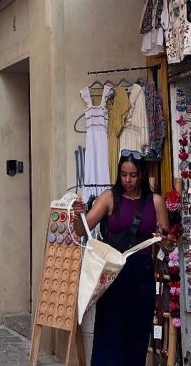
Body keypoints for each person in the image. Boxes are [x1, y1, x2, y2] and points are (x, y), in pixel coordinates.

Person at [73, 150, 171, 366]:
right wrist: (78, 214)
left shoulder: (155, 202)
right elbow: (81, 230)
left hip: (141, 275)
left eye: (133, 175)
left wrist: (164, 240)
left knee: (137, 336)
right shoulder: (109, 197)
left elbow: (167, 245)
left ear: (142, 174)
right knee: (109, 336)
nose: (128, 180)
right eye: (124, 174)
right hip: (112, 274)